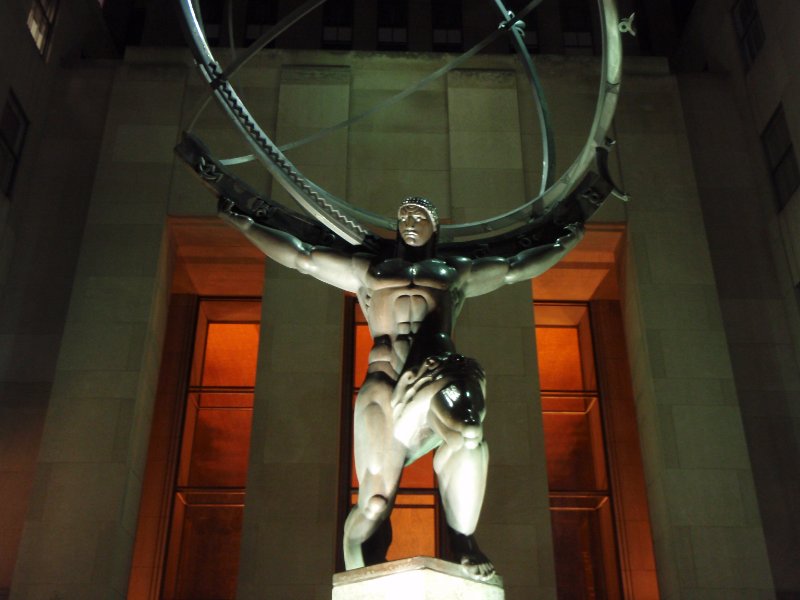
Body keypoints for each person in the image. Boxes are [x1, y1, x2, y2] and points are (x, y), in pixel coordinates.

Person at [219, 196, 583, 580]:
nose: (410, 221)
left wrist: (565, 243)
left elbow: (514, 267)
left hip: (434, 374)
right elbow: (303, 257)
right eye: (404, 215)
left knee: (470, 434)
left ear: (435, 226)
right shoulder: (371, 269)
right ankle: (359, 565)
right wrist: (245, 225)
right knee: (375, 504)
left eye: (419, 215)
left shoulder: (453, 271)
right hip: (385, 383)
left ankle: (464, 541)